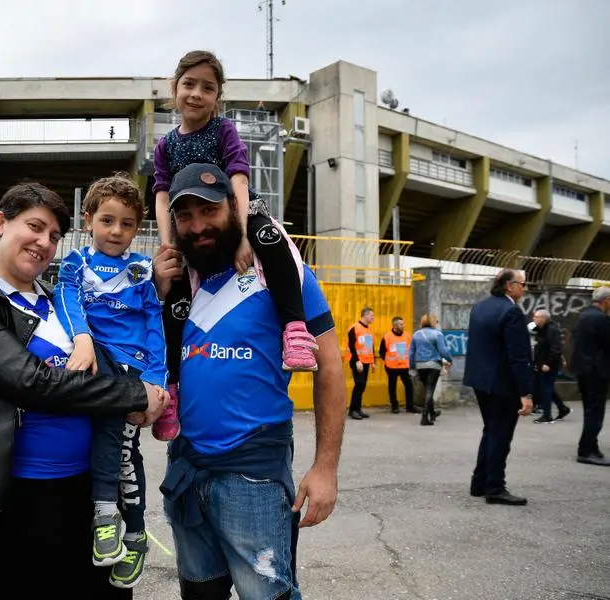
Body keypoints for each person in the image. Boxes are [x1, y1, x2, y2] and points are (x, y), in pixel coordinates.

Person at [0, 183, 167, 598]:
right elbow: (32, 383)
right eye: (35, 227)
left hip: (87, 490)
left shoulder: (57, 298)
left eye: (55, 236)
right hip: (18, 501)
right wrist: (134, 396)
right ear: (1, 223)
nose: (45, 242)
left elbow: (127, 330)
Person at [153, 163, 346, 599]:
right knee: (200, 592)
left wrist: (325, 467)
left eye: (209, 210)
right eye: (185, 215)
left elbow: (330, 368)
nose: (198, 226)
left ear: (234, 209)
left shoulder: (280, 277)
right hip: (186, 468)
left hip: (253, 476)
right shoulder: (180, 284)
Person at [151, 50, 319, 441]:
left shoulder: (223, 130)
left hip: (239, 214)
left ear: (218, 96)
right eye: (189, 84)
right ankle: (172, 387)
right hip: (191, 224)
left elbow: (239, 180)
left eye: (207, 88)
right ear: (175, 87)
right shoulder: (166, 146)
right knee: (175, 293)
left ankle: (294, 327)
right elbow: (161, 196)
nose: (196, 94)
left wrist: (244, 234)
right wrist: (166, 244)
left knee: (271, 238)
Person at [54, 174, 166, 588]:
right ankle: (106, 516)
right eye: (107, 220)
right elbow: (65, 299)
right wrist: (82, 339)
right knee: (104, 436)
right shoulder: (76, 263)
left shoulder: (141, 271)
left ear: (138, 228)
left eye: (127, 224)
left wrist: (156, 379)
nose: (116, 231)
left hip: (134, 371)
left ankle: (132, 536)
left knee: (122, 449)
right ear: (88, 221)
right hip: (96, 359)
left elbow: (154, 323)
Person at [463, 269, 534, 506]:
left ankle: (479, 482)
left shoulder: (480, 307)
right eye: (521, 284)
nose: (524, 288)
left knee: (491, 430)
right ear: (508, 286)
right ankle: (495, 487)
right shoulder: (511, 311)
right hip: (502, 384)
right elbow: (518, 355)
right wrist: (525, 393)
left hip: (481, 380)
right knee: (500, 434)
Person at [570, 286, 610, 466]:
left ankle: (592, 447)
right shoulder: (601, 319)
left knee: (589, 409)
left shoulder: (584, 315)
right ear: (606, 300)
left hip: (583, 370)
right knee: (595, 412)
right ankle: (586, 450)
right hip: (596, 371)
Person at [409, 314, 453, 426]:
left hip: (420, 365)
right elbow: (443, 351)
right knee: (430, 390)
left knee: (427, 389)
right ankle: (424, 416)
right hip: (433, 365)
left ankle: (432, 413)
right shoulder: (437, 334)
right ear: (433, 322)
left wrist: (412, 366)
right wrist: (449, 359)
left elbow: (411, 352)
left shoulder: (416, 334)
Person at [530, 309, 570, 424]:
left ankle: (547, 415)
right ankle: (563, 408)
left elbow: (556, 349)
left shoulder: (552, 329)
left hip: (548, 365)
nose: (533, 319)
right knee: (547, 389)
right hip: (540, 364)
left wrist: (548, 363)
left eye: (536, 317)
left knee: (546, 389)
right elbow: (527, 330)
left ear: (543, 318)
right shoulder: (541, 328)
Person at [379, 316, 419, 414]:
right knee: (392, 386)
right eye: (401, 324)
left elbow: (411, 350)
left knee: (409, 385)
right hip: (391, 366)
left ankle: (410, 406)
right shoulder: (387, 336)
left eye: (403, 323)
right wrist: (389, 360)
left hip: (404, 366)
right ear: (394, 325)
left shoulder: (407, 335)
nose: (403, 325)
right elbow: (382, 351)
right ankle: (394, 406)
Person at [347, 307, 375, 420]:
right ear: (365, 315)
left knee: (362, 386)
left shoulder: (369, 330)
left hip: (367, 361)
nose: (373, 318)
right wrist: (357, 360)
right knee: (359, 384)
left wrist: (373, 362)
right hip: (357, 361)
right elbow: (352, 345)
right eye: (372, 315)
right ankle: (353, 410)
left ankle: (357, 409)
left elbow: (370, 347)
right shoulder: (354, 328)